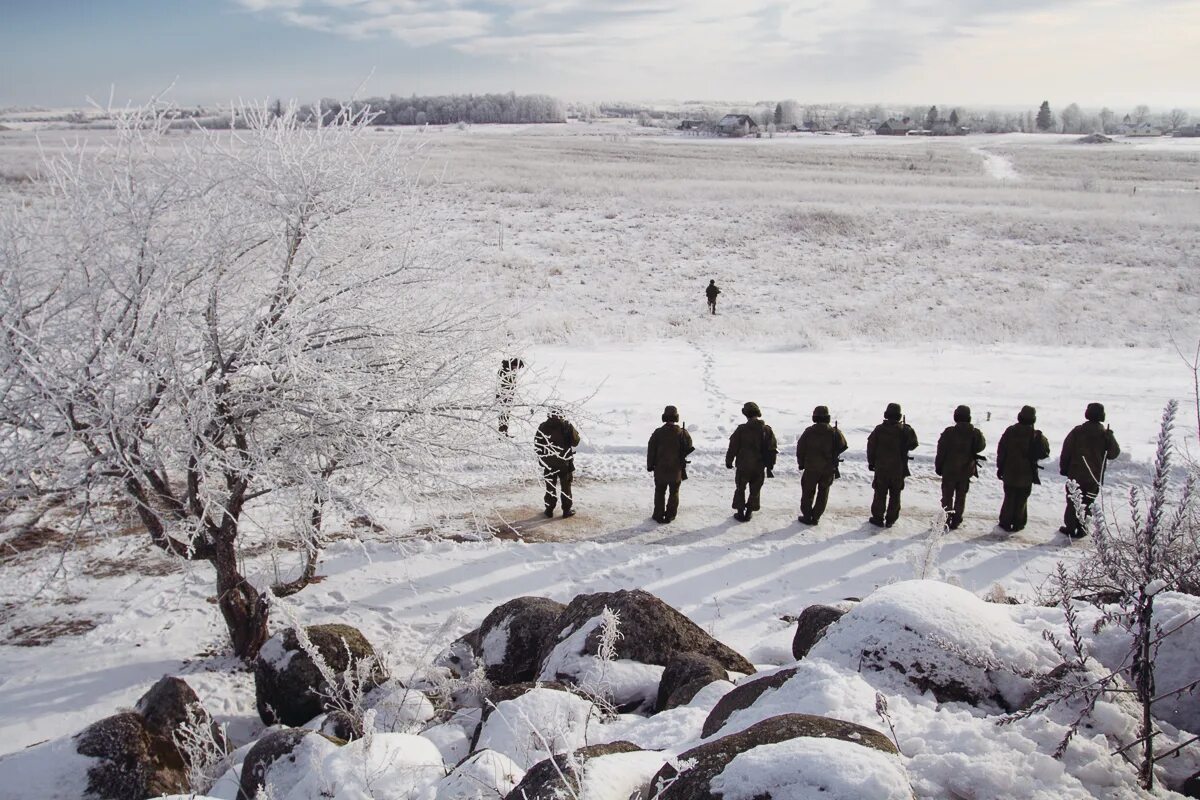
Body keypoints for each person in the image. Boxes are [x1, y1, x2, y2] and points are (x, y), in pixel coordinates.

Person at [1058, 403, 1120, 539]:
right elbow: (1113, 454)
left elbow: (1066, 450)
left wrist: (1064, 468)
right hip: (1094, 477)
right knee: (1088, 502)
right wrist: (1111, 437)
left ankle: (1070, 528)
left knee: (1072, 501)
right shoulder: (1105, 434)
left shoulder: (1077, 431)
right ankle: (1083, 528)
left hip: (1075, 474)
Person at [996, 405, 1050, 533]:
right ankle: (1018, 523)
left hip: (1009, 471)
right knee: (1022, 498)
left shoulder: (1010, 431)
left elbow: (1001, 451)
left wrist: (1000, 467)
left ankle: (1005, 522)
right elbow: (1044, 453)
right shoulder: (1036, 436)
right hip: (1026, 473)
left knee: (1009, 496)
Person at [934, 405, 987, 530]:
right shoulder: (974, 433)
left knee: (947, 496)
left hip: (949, 471)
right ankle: (956, 520)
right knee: (961, 496)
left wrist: (939, 466)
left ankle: (945, 520)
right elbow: (981, 446)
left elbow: (941, 451)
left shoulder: (949, 432)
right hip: (965, 471)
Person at [866, 403, 918, 528]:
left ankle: (878, 518)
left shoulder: (879, 430)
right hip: (898, 468)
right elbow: (913, 444)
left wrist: (871, 463)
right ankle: (891, 519)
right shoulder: (905, 430)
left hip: (882, 468)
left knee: (880, 493)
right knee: (895, 494)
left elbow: (871, 447)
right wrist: (907, 431)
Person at [795, 405, 848, 525]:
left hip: (811, 468)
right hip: (828, 469)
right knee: (823, 492)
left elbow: (800, 449)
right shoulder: (834, 432)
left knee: (808, 492)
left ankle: (807, 516)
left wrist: (801, 463)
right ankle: (816, 516)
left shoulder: (809, 432)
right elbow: (843, 445)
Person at [725, 402, 777, 522]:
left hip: (743, 466)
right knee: (755, 490)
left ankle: (740, 512)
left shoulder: (742, 429)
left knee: (740, 488)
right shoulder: (767, 430)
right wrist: (770, 465)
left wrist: (729, 460)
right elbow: (772, 449)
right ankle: (749, 513)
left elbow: (733, 447)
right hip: (759, 467)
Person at [647, 405, 695, 523]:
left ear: (664, 417)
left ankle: (658, 515)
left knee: (659, 492)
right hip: (676, 469)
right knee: (674, 492)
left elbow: (651, 450)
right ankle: (670, 515)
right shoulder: (683, 433)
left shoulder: (658, 433)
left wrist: (650, 465)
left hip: (660, 469)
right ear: (676, 418)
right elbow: (689, 446)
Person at [535, 408, 581, 518]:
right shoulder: (567, 426)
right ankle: (566, 510)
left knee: (550, 486)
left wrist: (543, 458)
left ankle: (549, 510)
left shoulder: (543, 426)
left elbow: (537, 444)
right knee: (566, 487)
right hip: (564, 462)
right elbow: (575, 442)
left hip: (548, 462)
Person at [496, 357, 524, 435]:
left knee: (506, 415)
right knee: (503, 416)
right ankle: (502, 434)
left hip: (508, 396)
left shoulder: (510, 370)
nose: (517, 369)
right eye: (517, 367)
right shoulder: (504, 371)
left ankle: (504, 433)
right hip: (503, 397)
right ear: (514, 364)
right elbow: (503, 385)